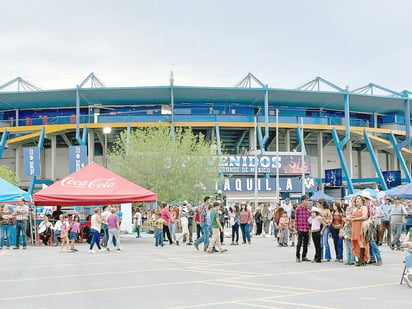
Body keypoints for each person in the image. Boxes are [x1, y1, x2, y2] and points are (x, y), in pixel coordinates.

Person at [351, 194, 371, 266]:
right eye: (356, 199)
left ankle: (362, 259)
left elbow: (365, 216)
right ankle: (360, 258)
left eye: (358, 199)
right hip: (354, 226)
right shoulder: (355, 209)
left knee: (361, 241)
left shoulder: (364, 208)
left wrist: (355, 219)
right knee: (357, 242)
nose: (357, 200)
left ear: (362, 200)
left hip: (360, 226)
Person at [295, 195, 311, 262]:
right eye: (306, 200)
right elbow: (296, 219)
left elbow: (310, 220)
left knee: (306, 244)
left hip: (307, 228)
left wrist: (310, 228)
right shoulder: (298, 209)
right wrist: (295, 229)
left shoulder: (309, 209)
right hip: (300, 228)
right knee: (299, 243)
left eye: (308, 200)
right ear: (302, 201)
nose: (307, 201)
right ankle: (297, 256)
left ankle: (304, 256)